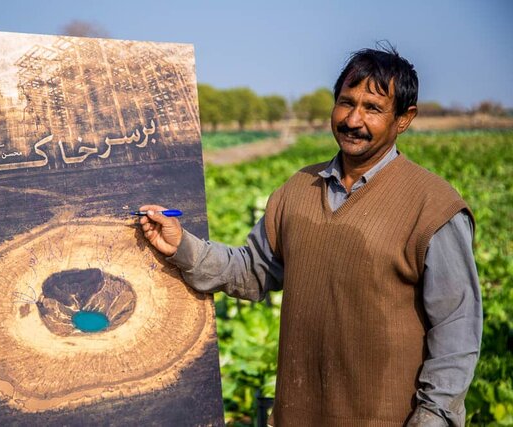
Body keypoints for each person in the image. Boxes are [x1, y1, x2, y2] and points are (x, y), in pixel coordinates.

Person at [139, 46, 481, 426]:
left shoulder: (433, 207)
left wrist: (433, 417)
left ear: (404, 118)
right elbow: (251, 271)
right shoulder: (297, 190)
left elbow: (457, 331)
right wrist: (182, 246)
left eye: (373, 108)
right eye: (346, 102)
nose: (353, 119)